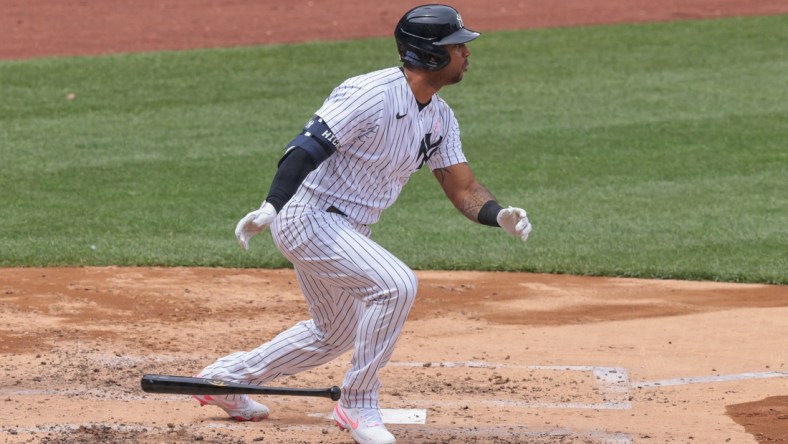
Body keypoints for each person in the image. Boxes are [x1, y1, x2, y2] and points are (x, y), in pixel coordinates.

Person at [192, 4, 531, 444]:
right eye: (456, 46)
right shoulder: (370, 93)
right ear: (429, 55)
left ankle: (225, 380)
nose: (467, 53)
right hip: (307, 216)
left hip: (346, 231)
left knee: (333, 334)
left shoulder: (440, 118)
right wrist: (272, 205)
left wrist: (497, 214)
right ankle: (358, 402)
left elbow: (463, 189)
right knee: (396, 284)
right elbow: (306, 148)